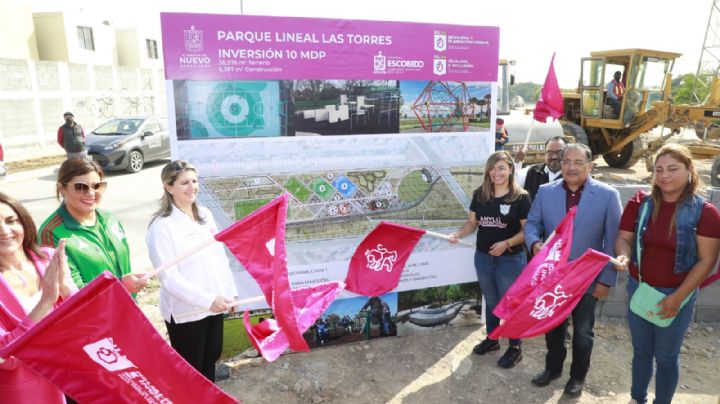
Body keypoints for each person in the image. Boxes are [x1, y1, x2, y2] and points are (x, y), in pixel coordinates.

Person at [614, 144, 720, 404]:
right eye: (659, 169)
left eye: (673, 169)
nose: (664, 175)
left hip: (677, 295)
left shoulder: (705, 212)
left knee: (666, 357)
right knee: (641, 351)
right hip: (640, 289)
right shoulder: (640, 203)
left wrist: (678, 297)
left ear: (689, 170)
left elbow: (706, 261)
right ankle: (637, 398)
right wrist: (624, 255)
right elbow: (623, 239)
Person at [525, 143, 622, 398]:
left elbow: (613, 239)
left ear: (590, 166)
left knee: (582, 332)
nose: (571, 167)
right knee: (553, 327)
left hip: (587, 279)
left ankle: (577, 377)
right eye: (566, 161)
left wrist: (606, 279)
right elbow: (533, 224)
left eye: (578, 162)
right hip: (553, 278)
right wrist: (535, 244)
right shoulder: (546, 192)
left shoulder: (607, 195)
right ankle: (552, 369)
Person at [146, 160, 238, 382]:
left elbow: (219, 259)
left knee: (210, 360)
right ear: (169, 188)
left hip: (215, 305)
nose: (192, 187)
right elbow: (170, 279)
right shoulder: (162, 227)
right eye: (184, 182)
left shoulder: (205, 214)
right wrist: (207, 299)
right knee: (190, 370)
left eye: (195, 181)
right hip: (187, 312)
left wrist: (230, 293)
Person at [449, 150, 531, 369]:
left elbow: (528, 232)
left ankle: (515, 348)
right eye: (493, 168)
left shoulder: (521, 197)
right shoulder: (480, 194)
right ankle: (493, 339)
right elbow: (471, 223)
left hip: (511, 261)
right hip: (484, 259)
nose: (496, 173)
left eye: (501, 168)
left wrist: (507, 244)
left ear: (510, 169)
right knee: (493, 303)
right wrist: (458, 234)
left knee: (511, 305)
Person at [0, 192, 76, 403]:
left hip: (75, 378)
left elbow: (82, 320)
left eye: (10, 220)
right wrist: (45, 303)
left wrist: (66, 291)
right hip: (29, 392)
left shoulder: (48, 257)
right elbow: (4, 358)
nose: (4, 231)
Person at [38, 159, 146, 295]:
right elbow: (70, 292)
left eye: (97, 186)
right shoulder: (52, 232)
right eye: (80, 187)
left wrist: (130, 282)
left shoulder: (110, 219)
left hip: (129, 307)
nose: (90, 193)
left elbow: (123, 269)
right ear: (61, 188)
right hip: (94, 315)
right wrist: (121, 287)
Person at [513, 136, 567, 201]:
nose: (554, 156)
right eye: (550, 152)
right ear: (545, 154)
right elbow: (513, 183)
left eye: (559, 152)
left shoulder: (572, 176)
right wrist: (516, 164)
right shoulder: (531, 172)